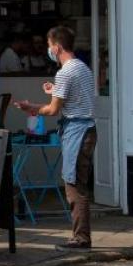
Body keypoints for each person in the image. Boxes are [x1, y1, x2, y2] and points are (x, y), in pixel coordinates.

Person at [15, 26, 98, 251]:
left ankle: (81, 238)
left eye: (50, 45)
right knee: (77, 181)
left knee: (73, 185)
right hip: (88, 129)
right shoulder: (82, 68)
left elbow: (52, 110)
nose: (49, 50)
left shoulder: (65, 72)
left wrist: (30, 108)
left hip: (77, 131)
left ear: (57, 47)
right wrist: (55, 90)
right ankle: (81, 236)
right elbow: (74, 96)